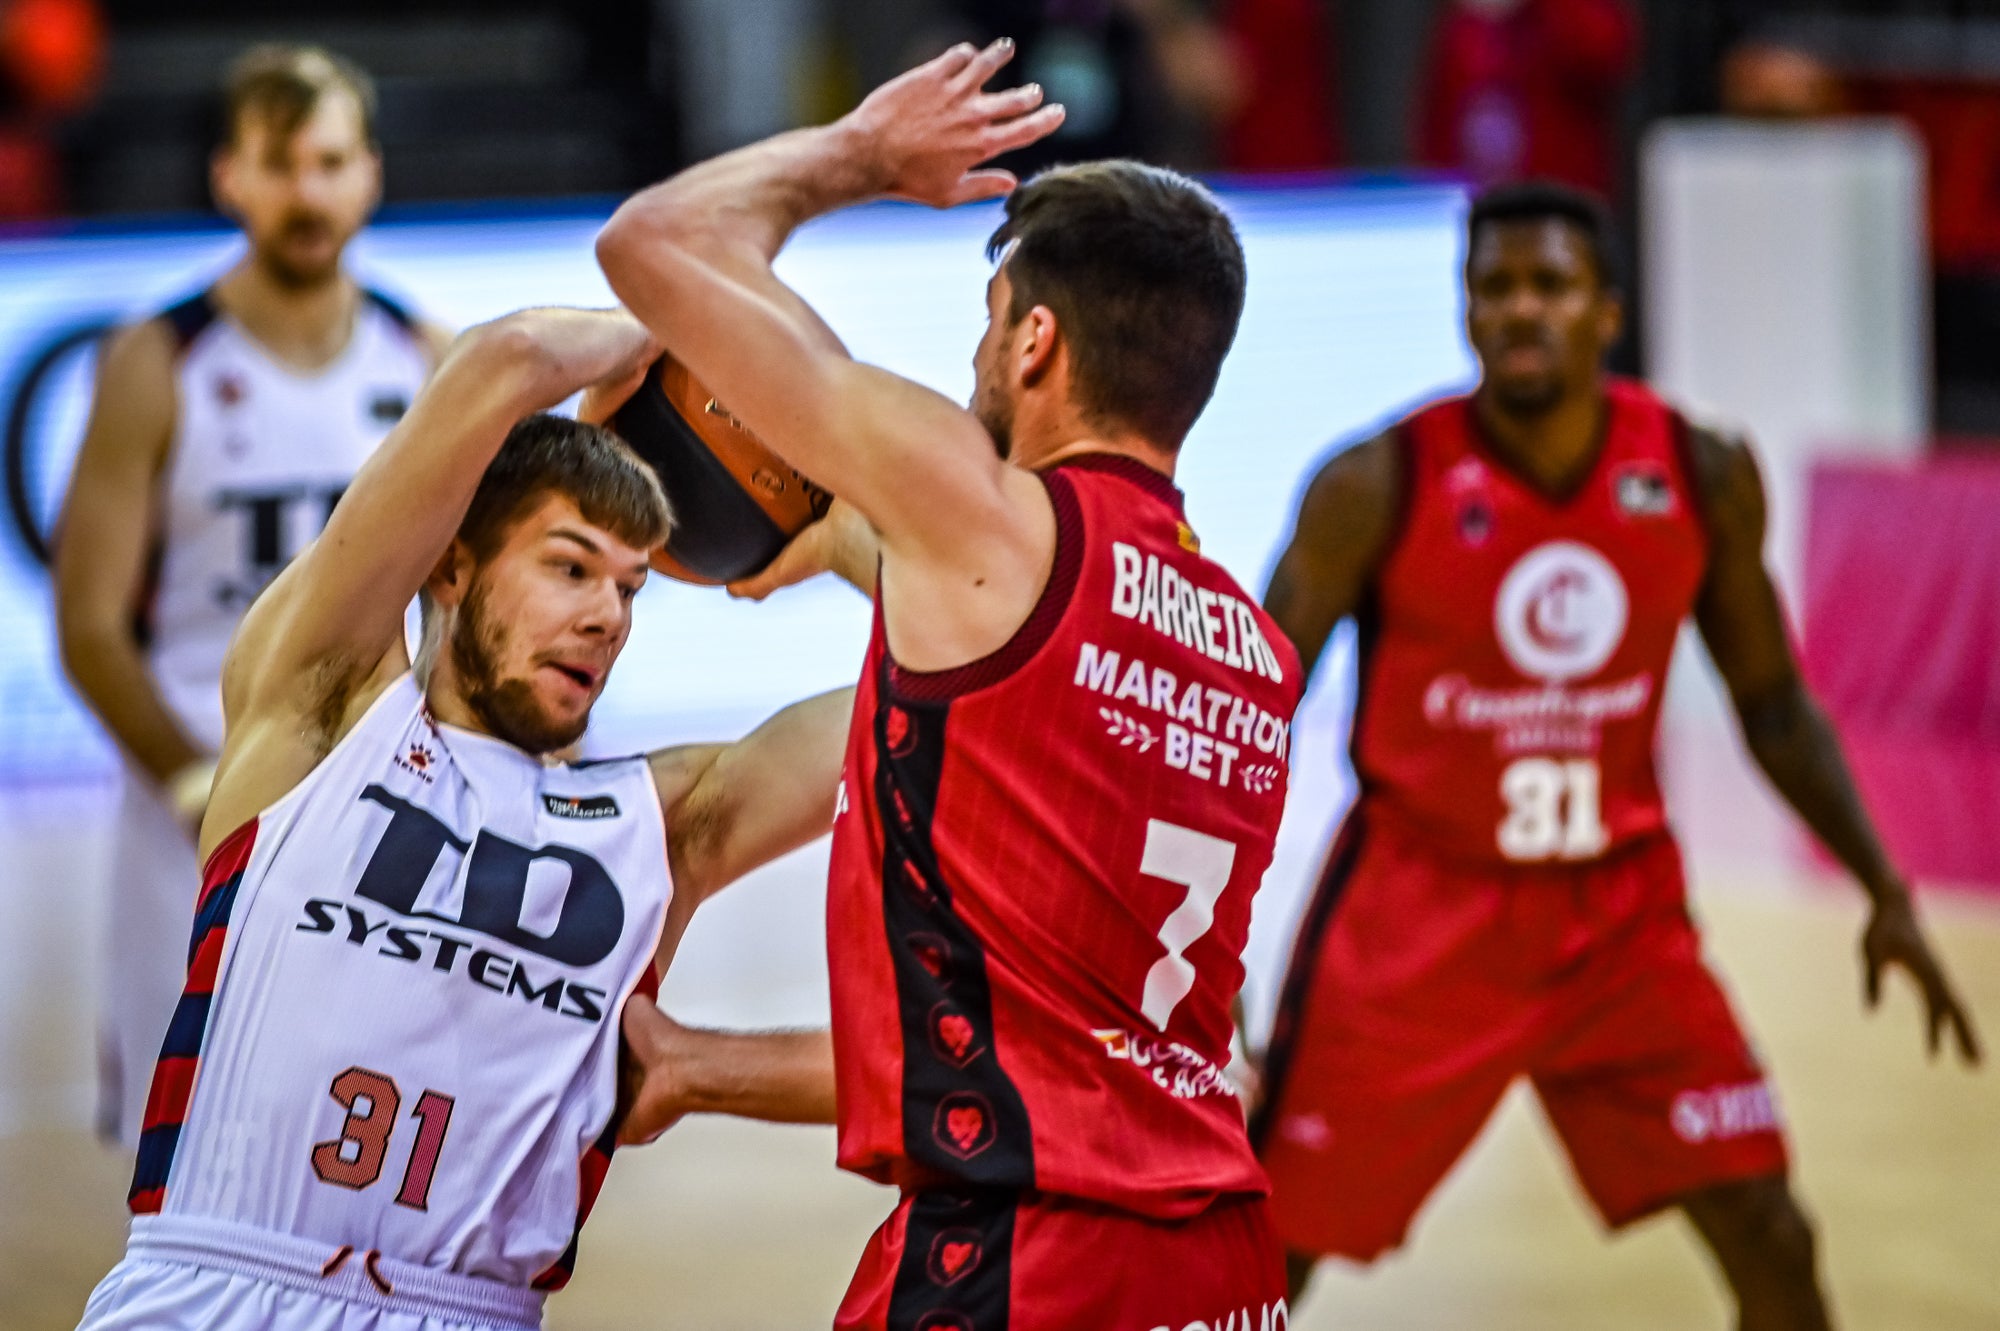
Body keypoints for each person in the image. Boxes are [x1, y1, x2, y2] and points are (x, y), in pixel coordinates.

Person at [598, 39, 1303, 1330]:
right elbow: (1053, 1052)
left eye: (987, 331)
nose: (976, 364)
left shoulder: (979, 520)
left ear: (1033, 340)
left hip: (1024, 1261)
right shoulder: (1251, 646)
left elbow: (654, 244)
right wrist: (701, 1066)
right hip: (1222, 1260)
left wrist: (858, 159)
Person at [1252, 182, 1983, 1330]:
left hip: (1617, 920)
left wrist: (1882, 884)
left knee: (1771, 1233)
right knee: (1260, 1245)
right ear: (1462, 310)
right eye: (1491, 288)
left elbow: (1773, 703)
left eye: (1547, 284)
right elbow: (1246, 713)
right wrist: (1187, 941)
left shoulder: (1695, 469)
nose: (1517, 311)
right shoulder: (1373, 483)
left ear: (1604, 309)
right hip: (1415, 918)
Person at [72, 303, 855, 1331]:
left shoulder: (659, 823)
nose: (606, 615)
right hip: (207, 1285)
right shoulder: (321, 709)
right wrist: (691, 340)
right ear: (451, 564)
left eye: (630, 588)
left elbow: (958, 690)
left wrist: (845, 533)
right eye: (569, 567)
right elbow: (504, 362)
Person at [54, 43, 452, 1151]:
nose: (308, 193)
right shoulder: (155, 361)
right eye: (281, 165)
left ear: (369, 173)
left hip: (369, 801)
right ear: (230, 176)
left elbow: (457, 604)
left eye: (330, 162)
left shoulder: (421, 356)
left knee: (354, 1143)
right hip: (189, 784)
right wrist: (201, 788)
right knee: (175, 1150)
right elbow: (88, 629)